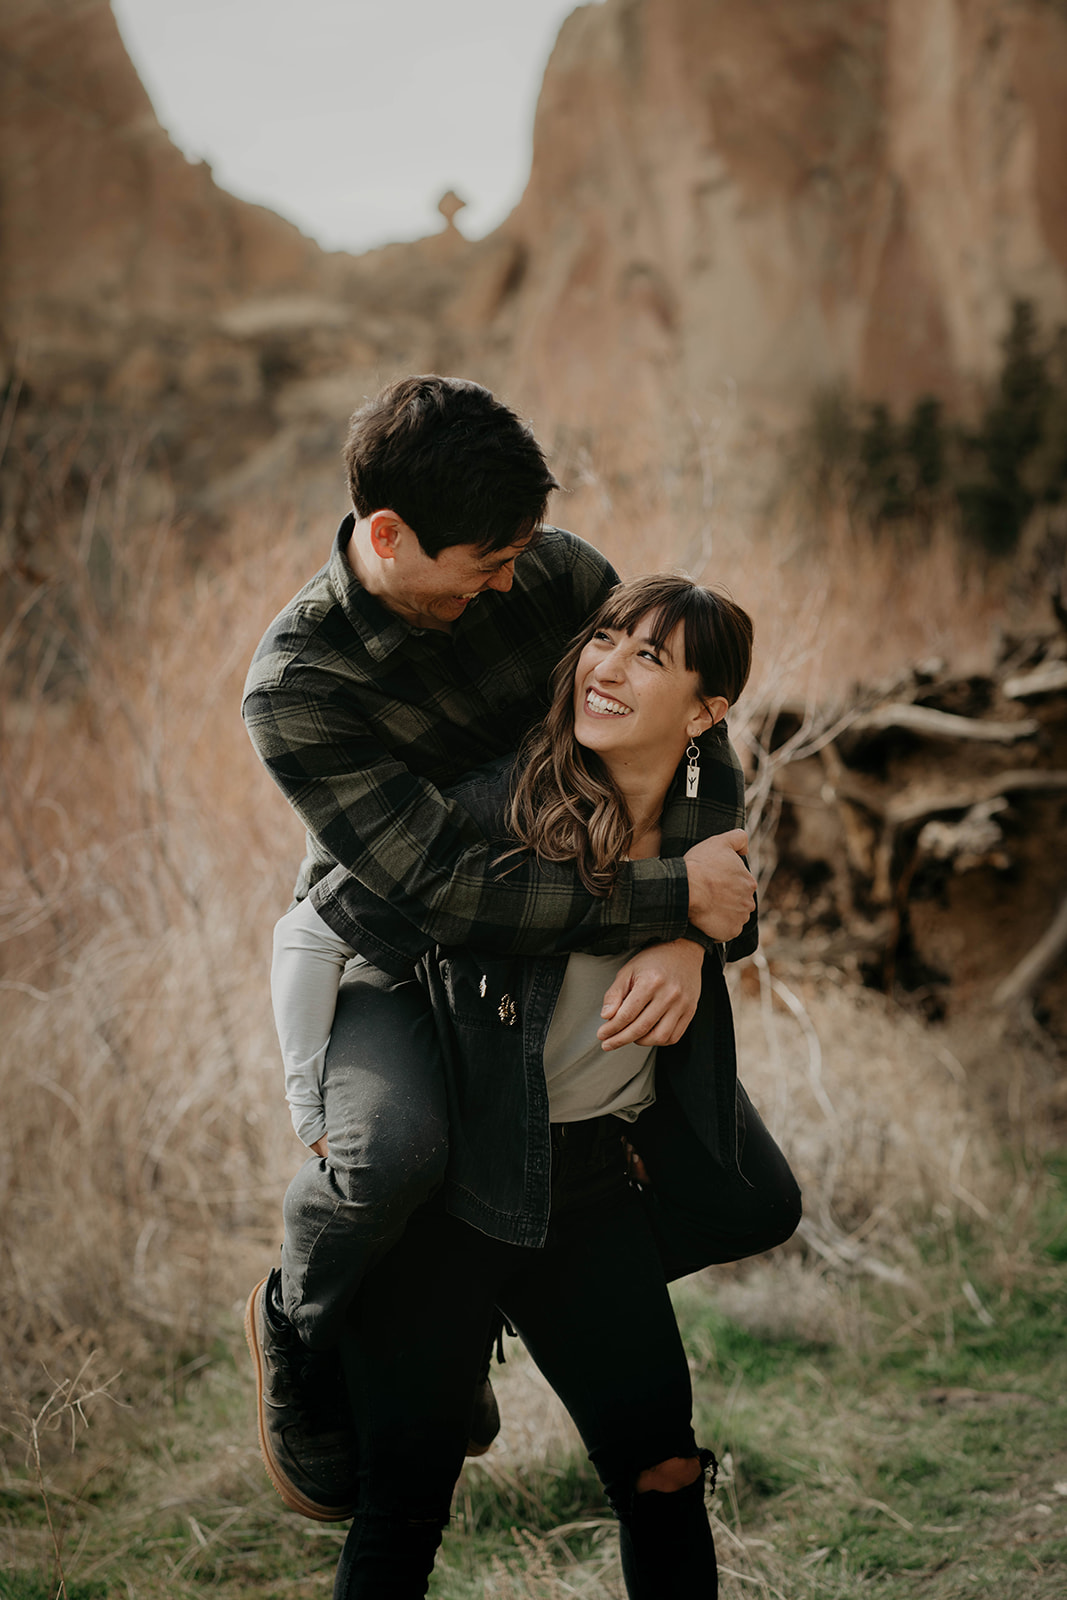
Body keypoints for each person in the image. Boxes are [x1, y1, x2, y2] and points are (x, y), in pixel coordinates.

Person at [241, 375, 764, 1522]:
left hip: (552, 947)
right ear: (388, 536)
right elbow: (444, 885)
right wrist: (662, 897)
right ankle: (309, 1318)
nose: (515, 579)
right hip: (394, 948)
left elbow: (686, 727)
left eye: (524, 548)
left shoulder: (556, 569)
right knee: (391, 1156)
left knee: (740, 1187)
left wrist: (684, 933)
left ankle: (478, 1303)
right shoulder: (299, 685)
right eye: (486, 560)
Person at [303, 574, 801, 1597]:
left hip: (584, 1192)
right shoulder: (495, 807)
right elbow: (315, 928)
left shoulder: (707, 842)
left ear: (707, 712)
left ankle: (519, 1311)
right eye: (603, 640)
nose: (605, 667)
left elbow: (732, 909)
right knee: (403, 1511)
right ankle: (327, 1324)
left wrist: (688, 946)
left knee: (664, 1475)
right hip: (448, 1206)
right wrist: (313, 1111)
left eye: (647, 658)